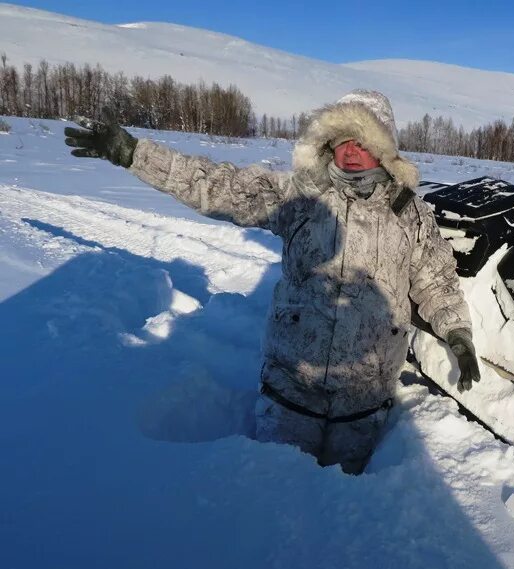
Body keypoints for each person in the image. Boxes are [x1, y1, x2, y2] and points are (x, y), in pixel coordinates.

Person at [64, 90, 481, 474]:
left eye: (364, 140)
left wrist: (457, 333)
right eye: (343, 139)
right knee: (276, 503)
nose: (352, 150)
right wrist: (134, 153)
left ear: (385, 149)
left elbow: (436, 279)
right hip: (290, 393)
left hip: (365, 401)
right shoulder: (298, 196)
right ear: (329, 143)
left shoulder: (410, 214)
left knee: (350, 518)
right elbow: (215, 185)